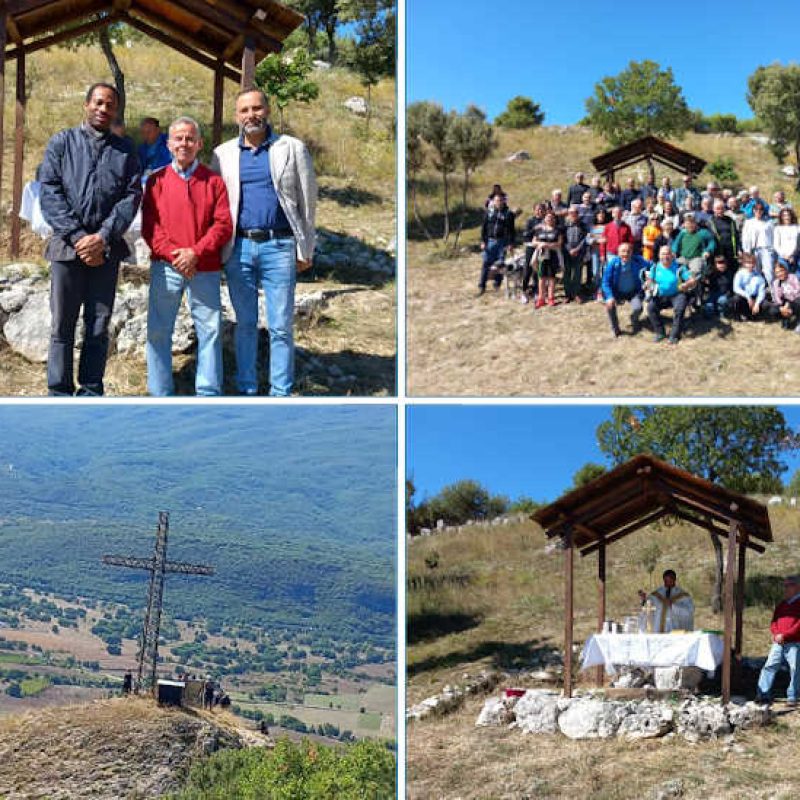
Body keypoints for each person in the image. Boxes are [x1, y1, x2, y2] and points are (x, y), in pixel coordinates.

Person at [211, 88, 317, 397]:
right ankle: (247, 388)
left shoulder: (292, 148)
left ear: (267, 111)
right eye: (244, 110)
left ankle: (280, 391)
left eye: (256, 108)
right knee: (245, 323)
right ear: (236, 117)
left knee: (281, 325)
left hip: (280, 247)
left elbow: (308, 201)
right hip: (238, 248)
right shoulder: (223, 154)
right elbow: (216, 204)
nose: (251, 115)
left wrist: (306, 247)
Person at [39, 82, 142, 396]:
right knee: (62, 324)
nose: (103, 109)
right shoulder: (62, 143)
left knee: (98, 323)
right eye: (98, 103)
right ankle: (58, 390)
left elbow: (130, 196)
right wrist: (79, 237)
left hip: (106, 251)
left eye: (110, 105)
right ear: (87, 105)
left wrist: (102, 237)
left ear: (115, 111)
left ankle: (92, 388)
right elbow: (50, 191)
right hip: (67, 249)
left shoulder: (126, 151)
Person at [141, 116, 233, 396]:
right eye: (178, 138)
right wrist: (175, 255)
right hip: (166, 267)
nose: (184, 143)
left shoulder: (214, 181)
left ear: (200, 144)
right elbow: (150, 227)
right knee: (158, 331)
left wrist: (195, 252)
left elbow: (223, 224)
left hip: (204, 268)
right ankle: (160, 392)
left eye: (190, 138)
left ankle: (207, 392)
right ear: (168, 144)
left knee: (210, 332)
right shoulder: (156, 181)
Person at [756, 575, 800, 707]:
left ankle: (793, 696)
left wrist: (785, 635)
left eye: (788, 586)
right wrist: (776, 634)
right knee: (769, 666)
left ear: (796, 587)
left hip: (794, 642)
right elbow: (774, 622)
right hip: (778, 642)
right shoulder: (781, 604)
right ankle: (763, 694)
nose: (785, 589)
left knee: (795, 669)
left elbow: (798, 626)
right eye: (784, 586)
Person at [645, 246, 696, 344]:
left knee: (679, 308)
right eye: (663, 254)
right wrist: (647, 285)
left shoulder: (679, 267)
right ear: (659, 255)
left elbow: (692, 280)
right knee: (651, 308)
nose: (665, 256)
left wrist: (687, 284)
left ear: (672, 255)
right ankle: (660, 333)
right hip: (660, 295)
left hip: (677, 294)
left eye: (667, 253)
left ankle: (674, 335)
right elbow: (649, 281)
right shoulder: (655, 268)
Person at [601, 242, 647, 338]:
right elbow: (605, 282)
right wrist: (609, 297)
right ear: (618, 253)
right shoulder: (613, 264)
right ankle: (615, 328)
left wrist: (649, 279)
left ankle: (634, 319)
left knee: (638, 308)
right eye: (623, 251)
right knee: (610, 305)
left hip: (633, 292)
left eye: (628, 251)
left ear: (632, 252)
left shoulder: (638, 260)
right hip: (617, 292)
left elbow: (652, 266)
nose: (625, 254)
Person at [477, 191, 515, 295]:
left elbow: (512, 230)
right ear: (493, 201)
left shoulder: (508, 214)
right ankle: (482, 286)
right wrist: (483, 241)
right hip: (489, 241)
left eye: (501, 200)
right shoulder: (489, 213)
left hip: (502, 242)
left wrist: (511, 243)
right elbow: (484, 228)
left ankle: (497, 283)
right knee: (486, 263)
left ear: (504, 201)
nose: (499, 202)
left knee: (500, 264)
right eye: (497, 200)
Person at [532, 210, 562, 307]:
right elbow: (533, 242)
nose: (549, 219)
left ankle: (551, 298)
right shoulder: (539, 230)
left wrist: (548, 245)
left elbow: (559, 243)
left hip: (553, 255)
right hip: (542, 256)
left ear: (554, 219)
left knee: (552, 278)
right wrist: (540, 244)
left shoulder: (557, 230)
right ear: (544, 219)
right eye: (547, 217)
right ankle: (541, 298)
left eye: (551, 218)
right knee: (541, 278)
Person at [742, 202, 775, 284]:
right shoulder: (748, 222)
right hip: (753, 250)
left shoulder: (769, 222)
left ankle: (773, 291)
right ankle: (759, 291)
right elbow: (745, 237)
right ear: (753, 210)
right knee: (756, 272)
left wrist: (773, 249)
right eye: (756, 209)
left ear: (763, 211)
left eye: (761, 209)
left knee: (769, 272)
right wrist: (746, 250)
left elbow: (773, 236)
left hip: (766, 249)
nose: (758, 211)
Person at [562, 207, 587, 303]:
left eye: (575, 212)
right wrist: (569, 250)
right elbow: (563, 239)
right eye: (571, 212)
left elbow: (585, 239)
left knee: (577, 274)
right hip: (567, 253)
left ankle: (576, 293)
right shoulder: (565, 226)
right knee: (567, 274)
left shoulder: (583, 225)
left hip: (579, 253)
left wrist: (577, 249)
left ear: (578, 214)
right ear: (568, 214)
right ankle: (567, 295)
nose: (573, 214)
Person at [732, 253, 766, 320]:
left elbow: (761, 292)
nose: (750, 265)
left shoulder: (759, 276)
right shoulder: (739, 274)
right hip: (744, 297)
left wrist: (757, 304)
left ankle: (753, 313)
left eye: (752, 263)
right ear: (744, 264)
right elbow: (736, 288)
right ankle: (740, 314)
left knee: (765, 305)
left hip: (754, 298)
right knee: (736, 299)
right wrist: (747, 296)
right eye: (748, 263)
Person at [767, 262, 800, 330]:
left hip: (795, 300)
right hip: (784, 303)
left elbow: (798, 291)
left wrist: (789, 303)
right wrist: (782, 308)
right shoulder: (776, 282)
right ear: (775, 274)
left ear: (785, 270)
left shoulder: (793, 277)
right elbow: (776, 298)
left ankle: (798, 320)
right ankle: (785, 319)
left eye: (781, 271)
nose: (780, 274)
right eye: (777, 272)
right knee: (773, 310)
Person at [137, 117, 171, 183]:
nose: (145, 136)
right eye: (143, 133)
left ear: (158, 130)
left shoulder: (168, 144)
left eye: (149, 132)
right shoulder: (142, 148)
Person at [773, 207, 800, 272]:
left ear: (791, 216)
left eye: (788, 215)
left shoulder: (797, 228)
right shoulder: (778, 228)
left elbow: (797, 244)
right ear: (781, 217)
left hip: (795, 256)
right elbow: (776, 245)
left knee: (796, 277)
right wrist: (785, 256)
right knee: (784, 276)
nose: (787, 217)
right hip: (782, 257)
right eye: (784, 215)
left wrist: (792, 255)